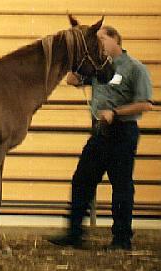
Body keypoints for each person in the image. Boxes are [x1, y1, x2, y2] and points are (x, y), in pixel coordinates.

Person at [48, 25, 153, 250]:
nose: (100, 44)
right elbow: (72, 79)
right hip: (98, 134)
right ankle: (74, 234)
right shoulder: (98, 65)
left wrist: (115, 113)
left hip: (122, 133)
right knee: (81, 181)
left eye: (102, 39)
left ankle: (122, 239)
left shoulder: (135, 68)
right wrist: (76, 74)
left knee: (122, 187)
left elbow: (145, 104)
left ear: (116, 40)